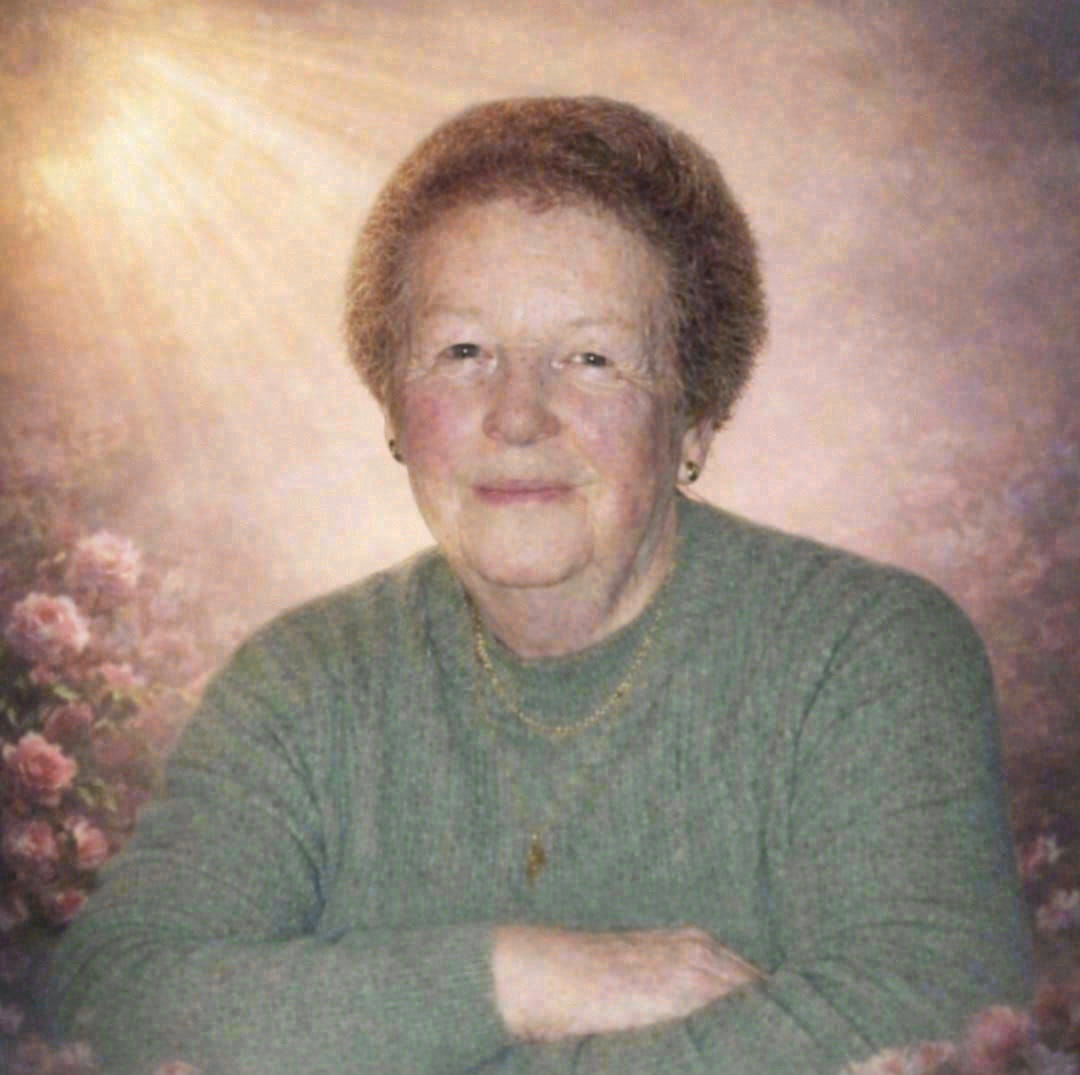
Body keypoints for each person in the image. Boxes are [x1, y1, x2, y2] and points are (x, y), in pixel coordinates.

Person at [49, 96, 1033, 1075]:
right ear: (393, 407)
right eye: (463, 352)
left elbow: (933, 1013)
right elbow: (106, 1006)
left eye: (591, 358)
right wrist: (517, 977)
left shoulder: (867, 654)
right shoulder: (297, 683)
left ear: (696, 415)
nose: (517, 415)